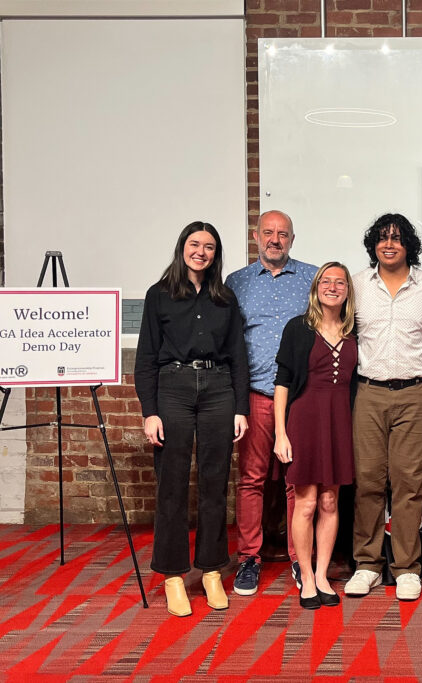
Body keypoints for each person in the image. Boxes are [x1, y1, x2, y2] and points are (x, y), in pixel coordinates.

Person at [134, 221, 250, 617]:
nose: (201, 252)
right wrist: (149, 411)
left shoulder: (225, 298)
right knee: (172, 484)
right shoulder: (159, 295)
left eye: (210, 247)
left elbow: (238, 355)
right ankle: (172, 576)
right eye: (195, 244)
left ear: (216, 255)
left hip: (219, 390)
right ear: (182, 246)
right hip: (173, 389)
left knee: (215, 484)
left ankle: (212, 571)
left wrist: (240, 409)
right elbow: (146, 358)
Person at [344, 213, 422, 602]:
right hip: (369, 393)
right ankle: (367, 565)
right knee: (369, 481)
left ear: (409, 246)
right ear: (374, 244)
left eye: (398, 238)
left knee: (409, 484)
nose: (389, 244)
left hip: (418, 394)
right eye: (383, 238)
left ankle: (406, 568)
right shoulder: (356, 285)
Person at [225, 210, 317, 596]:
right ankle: (249, 557)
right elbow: (229, 343)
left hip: (301, 397)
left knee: (300, 482)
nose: (275, 240)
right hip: (256, 395)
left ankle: (301, 559)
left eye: (282, 234)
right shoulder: (237, 283)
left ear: (292, 239)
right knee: (251, 479)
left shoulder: (313, 277)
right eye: (268, 233)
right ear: (255, 236)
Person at [273, 262, 358, 610]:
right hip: (304, 421)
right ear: (316, 288)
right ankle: (306, 576)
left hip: (340, 422)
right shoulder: (298, 328)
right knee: (306, 502)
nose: (333, 287)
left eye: (340, 282)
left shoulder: (355, 331)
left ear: (348, 291)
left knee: (330, 501)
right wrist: (280, 433)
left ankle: (323, 574)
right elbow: (281, 383)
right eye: (326, 281)